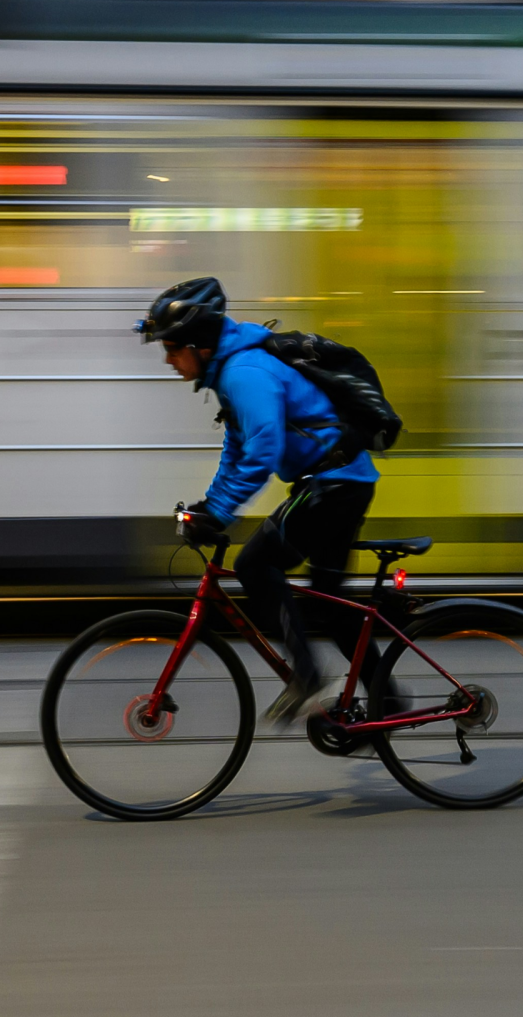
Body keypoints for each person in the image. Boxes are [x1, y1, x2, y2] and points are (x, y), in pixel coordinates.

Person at [136, 276, 383, 727]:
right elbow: (237, 448)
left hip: (333, 484)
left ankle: (308, 678)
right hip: (340, 481)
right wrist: (211, 504)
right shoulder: (231, 372)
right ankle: (388, 700)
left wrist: (223, 511)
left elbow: (263, 448)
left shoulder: (244, 373)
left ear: (200, 345)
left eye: (173, 349)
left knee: (255, 565)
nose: (169, 360)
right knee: (330, 600)